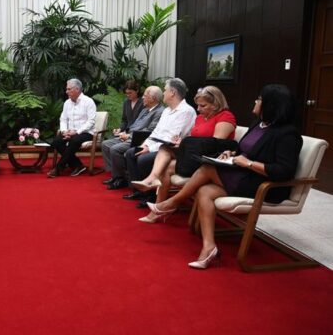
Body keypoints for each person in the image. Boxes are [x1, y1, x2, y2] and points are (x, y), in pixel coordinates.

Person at [147, 84, 302, 269]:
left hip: (264, 185)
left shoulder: (288, 134)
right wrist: (231, 152)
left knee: (207, 168)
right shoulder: (257, 125)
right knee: (205, 191)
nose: (255, 101)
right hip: (244, 176)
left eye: (259, 99)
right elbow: (243, 149)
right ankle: (209, 248)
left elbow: (284, 171)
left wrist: (249, 163)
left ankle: (171, 203)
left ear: (271, 104)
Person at [134, 86, 236, 222]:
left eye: (202, 105)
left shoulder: (225, 116)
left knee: (166, 154)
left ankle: (155, 190)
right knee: (166, 156)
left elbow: (215, 144)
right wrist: (181, 142)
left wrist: (187, 144)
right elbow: (196, 141)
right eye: (197, 105)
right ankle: (157, 206)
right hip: (194, 157)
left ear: (215, 104)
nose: (198, 109)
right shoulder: (200, 118)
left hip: (208, 160)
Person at [123, 78, 197, 205]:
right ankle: (140, 191)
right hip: (158, 146)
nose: (163, 93)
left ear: (172, 92)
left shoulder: (186, 111)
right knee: (131, 153)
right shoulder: (167, 111)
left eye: (165, 90)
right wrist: (145, 144)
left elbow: (171, 138)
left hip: (173, 149)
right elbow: (156, 132)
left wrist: (150, 148)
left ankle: (150, 195)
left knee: (143, 159)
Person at [103, 85, 165, 190]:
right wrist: (123, 132)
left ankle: (121, 178)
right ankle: (116, 174)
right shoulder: (145, 109)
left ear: (153, 98)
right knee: (105, 144)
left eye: (145, 96)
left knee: (115, 149)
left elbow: (150, 131)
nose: (142, 98)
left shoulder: (159, 112)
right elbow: (134, 125)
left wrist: (129, 135)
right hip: (130, 135)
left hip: (140, 139)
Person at [47, 78, 97, 178]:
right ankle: (78, 165)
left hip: (86, 133)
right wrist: (65, 131)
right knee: (56, 141)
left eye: (69, 89)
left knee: (74, 140)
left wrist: (77, 132)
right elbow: (63, 119)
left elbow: (91, 121)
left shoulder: (88, 102)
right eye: (67, 89)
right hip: (70, 133)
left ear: (77, 89)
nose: (66, 91)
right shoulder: (67, 103)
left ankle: (58, 168)